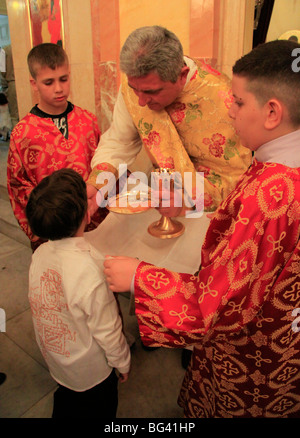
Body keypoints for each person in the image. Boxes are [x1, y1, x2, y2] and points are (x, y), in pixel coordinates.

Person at [104, 39, 300, 418]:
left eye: (240, 102)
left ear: (272, 112)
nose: (230, 111)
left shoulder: (274, 193)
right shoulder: (279, 170)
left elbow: (216, 309)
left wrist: (139, 278)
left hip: (253, 358)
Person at [87, 25, 251, 216]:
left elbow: (237, 179)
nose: (141, 101)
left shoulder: (224, 98)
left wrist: (187, 203)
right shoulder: (138, 86)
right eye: (134, 89)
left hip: (210, 216)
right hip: (163, 204)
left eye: (152, 92)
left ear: (181, 75)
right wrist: (97, 185)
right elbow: (119, 142)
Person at [26, 168, 131, 418]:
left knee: (67, 400)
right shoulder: (91, 270)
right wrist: (123, 362)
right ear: (87, 215)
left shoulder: (39, 254)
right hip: (92, 372)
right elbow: (107, 329)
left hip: (58, 360)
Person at [7, 43, 107, 252]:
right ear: (34, 84)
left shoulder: (87, 120)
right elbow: (18, 186)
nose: (59, 88)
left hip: (92, 221)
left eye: (63, 79)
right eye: (48, 82)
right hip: (53, 230)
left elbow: (104, 163)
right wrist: (48, 221)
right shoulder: (23, 132)